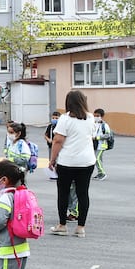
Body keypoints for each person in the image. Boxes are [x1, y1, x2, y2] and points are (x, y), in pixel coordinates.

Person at [48, 90, 95, 238]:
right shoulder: (90, 117)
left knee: (63, 192)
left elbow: (58, 140)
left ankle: (62, 225)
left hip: (67, 161)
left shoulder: (65, 119)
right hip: (87, 161)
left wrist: (52, 159)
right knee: (83, 193)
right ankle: (81, 227)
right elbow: (91, 136)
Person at [92, 108, 113, 180]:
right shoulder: (93, 124)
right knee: (98, 159)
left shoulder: (104, 125)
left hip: (101, 145)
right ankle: (99, 173)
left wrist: (97, 137)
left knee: (96, 159)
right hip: (94, 144)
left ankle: (102, 173)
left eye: (97, 116)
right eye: (94, 115)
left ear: (101, 116)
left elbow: (108, 135)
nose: (96, 117)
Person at [43, 110, 61, 180]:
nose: (54, 120)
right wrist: (48, 140)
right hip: (51, 145)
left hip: (58, 146)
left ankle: (58, 173)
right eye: (53, 118)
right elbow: (45, 135)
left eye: (56, 118)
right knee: (51, 159)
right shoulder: (50, 126)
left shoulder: (60, 126)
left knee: (58, 160)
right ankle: (53, 174)